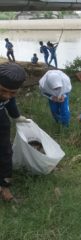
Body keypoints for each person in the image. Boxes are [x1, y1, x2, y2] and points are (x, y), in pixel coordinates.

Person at [0, 63, 30, 201]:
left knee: (5, 152)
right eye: (2, 91)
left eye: (12, 92)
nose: (6, 96)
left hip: (1, 119)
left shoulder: (9, 96)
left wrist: (16, 116)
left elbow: (11, 103)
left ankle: (4, 187)